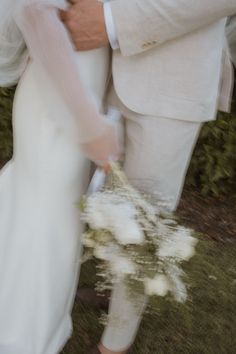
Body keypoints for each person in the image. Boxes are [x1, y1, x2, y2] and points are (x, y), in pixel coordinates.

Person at [61, 1, 236, 354]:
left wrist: (113, 21)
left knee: (143, 225)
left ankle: (115, 345)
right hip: (96, 65)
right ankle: (111, 288)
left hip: (172, 80)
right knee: (103, 201)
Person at [0, 0, 121, 353]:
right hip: (61, 105)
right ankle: (20, 339)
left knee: (51, 218)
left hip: (76, 92)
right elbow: (35, 14)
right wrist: (89, 125)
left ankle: (34, 328)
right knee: (48, 221)